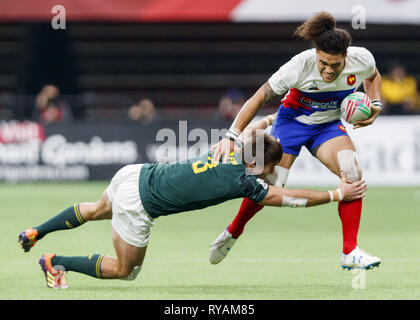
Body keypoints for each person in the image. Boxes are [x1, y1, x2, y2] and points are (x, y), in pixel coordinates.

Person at [17, 129, 367, 288]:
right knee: (126, 270)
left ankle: (36, 231)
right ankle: (55, 262)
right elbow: (290, 198)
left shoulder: (235, 145)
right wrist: (338, 193)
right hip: (140, 203)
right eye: (269, 168)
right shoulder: (246, 182)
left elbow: (260, 126)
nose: (271, 174)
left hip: (135, 174)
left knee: (94, 209)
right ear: (260, 165)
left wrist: (288, 116)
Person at [209, 12, 383, 270]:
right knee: (271, 183)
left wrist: (376, 103)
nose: (327, 70)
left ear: (346, 57)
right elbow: (258, 98)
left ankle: (350, 251)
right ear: (316, 54)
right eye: (323, 62)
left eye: (334, 65)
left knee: (353, 172)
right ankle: (233, 231)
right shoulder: (298, 66)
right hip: (291, 123)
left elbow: (373, 76)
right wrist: (231, 136)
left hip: (327, 126)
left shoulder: (362, 59)